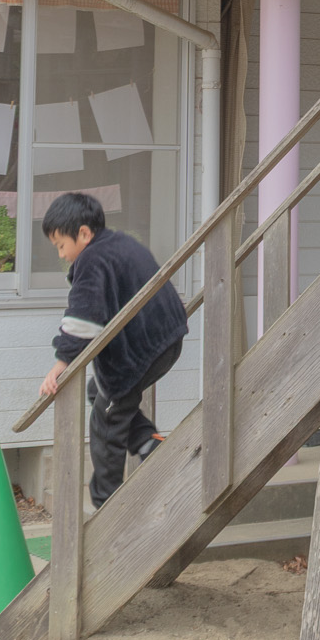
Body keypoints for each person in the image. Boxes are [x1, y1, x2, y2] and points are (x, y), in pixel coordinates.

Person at [37, 191, 188, 510]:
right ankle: (147, 442)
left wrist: (61, 363)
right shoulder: (121, 244)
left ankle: (108, 504)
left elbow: (83, 317)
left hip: (140, 348)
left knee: (106, 418)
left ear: (83, 234)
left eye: (61, 246)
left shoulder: (91, 258)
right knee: (99, 392)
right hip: (166, 338)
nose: (62, 255)